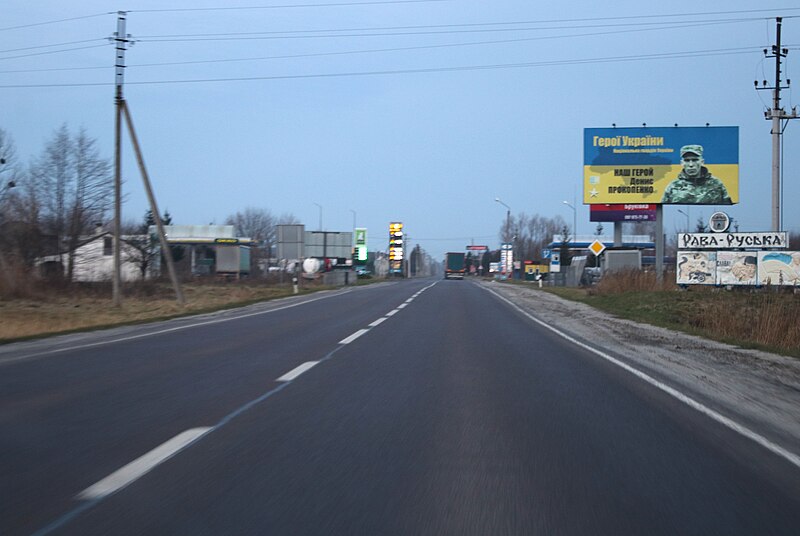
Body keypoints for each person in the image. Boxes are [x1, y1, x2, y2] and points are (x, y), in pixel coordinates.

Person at [661, 145, 731, 204]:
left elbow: (727, 208)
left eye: (695, 160)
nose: (691, 165)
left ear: (702, 162)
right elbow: (662, 210)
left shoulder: (716, 184)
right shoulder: (673, 187)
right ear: (682, 163)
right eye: (687, 160)